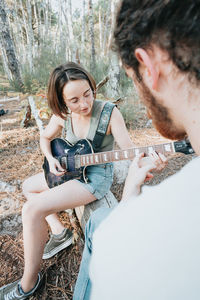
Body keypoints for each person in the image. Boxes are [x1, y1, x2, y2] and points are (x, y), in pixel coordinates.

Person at [0, 61, 165, 299]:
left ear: (92, 87)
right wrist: (50, 159)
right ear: (62, 101)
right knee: (28, 187)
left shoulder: (109, 113)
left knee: (31, 209)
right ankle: (59, 233)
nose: (84, 104)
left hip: (93, 180)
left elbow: (132, 153)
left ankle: (28, 284)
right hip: (68, 170)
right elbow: (45, 138)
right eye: (74, 100)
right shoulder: (62, 115)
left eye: (87, 94)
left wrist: (152, 164)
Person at [87, 1, 200, 299]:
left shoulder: (124, 246)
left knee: (97, 226)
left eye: (132, 77)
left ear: (147, 66)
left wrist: (127, 210)